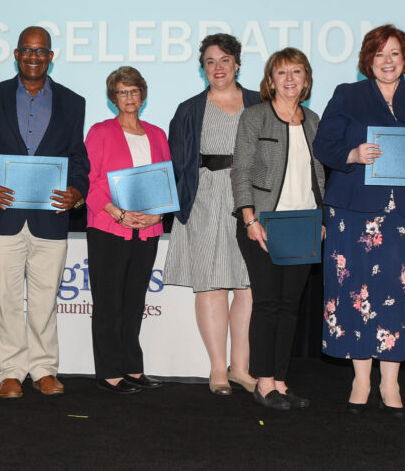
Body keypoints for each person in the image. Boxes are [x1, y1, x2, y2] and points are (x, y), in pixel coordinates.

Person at [312, 25, 405, 416]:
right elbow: (324, 144)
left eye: (394, 54)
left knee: (400, 295)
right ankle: (360, 379)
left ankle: (391, 384)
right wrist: (353, 155)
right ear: (367, 60)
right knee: (353, 290)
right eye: (379, 54)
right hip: (354, 209)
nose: (387, 61)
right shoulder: (348, 95)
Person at [0, 26, 89, 399]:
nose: (34, 56)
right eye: (27, 50)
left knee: (44, 298)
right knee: (4, 298)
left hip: (50, 215)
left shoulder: (73, 101)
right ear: (16, 54)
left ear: (51, 56)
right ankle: (10, 371)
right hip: (2, 215)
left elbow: (77, 157)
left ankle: (43, 369)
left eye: (41, 51)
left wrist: (78, 191)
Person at [165, 33, 262, 395]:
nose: (218, 67)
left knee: (249, 286)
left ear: (237, 63)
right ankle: (218, 370)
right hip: (205, 199)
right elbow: (177, 164)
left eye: (224, 60)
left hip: (250, 201)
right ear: (202, 68)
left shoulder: (259, 103)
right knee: (211, 285)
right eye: (210, 61)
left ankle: (241, 367)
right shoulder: (189, 109)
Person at [233, 48, 325, 410]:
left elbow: (319, 174)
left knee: (290, 306)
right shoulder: (255, 116)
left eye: (297, 72)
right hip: (263, 224)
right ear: (270, 80)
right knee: (268, 303)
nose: (290, 79)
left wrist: (322, 219)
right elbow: (240, 171)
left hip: (303, 223)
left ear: (306, 79)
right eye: (281, 73)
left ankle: (281, 381)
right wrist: (250, 219)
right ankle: (263, 381)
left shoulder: (314, 120)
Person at [84, 66, 170, 394]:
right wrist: (117, 214)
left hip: (146, 231)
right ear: (113, 98)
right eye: (122, 92)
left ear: (142, 95)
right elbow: (89, 181)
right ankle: (109, 372)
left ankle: (133, 368)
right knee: (109, 303)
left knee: (135, 302)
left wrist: (156, 215)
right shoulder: (100, 132)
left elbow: (165, 183)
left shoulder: (157, 135)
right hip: (108, 228)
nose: (129, 97)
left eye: (134, 90)